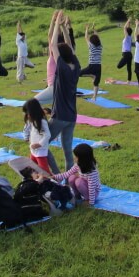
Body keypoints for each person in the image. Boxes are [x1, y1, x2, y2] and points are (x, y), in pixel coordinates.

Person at [45, 10, 81, 174]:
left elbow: (53, 45)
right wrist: (63, 28)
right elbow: (70, 47)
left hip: (59, 116)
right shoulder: (75, 65)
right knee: (68, 152)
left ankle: (57, 174)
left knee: (42, 144)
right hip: (71, 116)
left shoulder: (63, 67)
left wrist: (57, 21)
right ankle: (68, 181)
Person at [34, 11, 59, 106]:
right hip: (54, 87)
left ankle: (40, 120)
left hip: (53, 87)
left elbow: (49, 35)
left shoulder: (54, 55)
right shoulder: (58, 56)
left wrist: (53, 20)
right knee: (48, 104)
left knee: (33, 102)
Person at [23, 98, 52, 173]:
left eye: (28, 113)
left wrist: (39, 144)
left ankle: (51, 182)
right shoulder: (32, 121)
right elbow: (26, 129)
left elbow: (47, 135)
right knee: (32, 168)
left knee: (44, 171)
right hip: (33, 150)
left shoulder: (42, 122)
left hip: (40, 151)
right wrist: (26, 137)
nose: (27, 115)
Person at [80, 24, 102, 100]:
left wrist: (86, 29)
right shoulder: (100, 46)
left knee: (78, 73)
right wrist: (94, 30)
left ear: (91, 41)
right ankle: (94, 97)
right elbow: (98, 37)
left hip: (92, 66)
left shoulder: (91, 46)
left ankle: (91, 75)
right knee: (96, 83)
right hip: (98, 66)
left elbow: (86, 37)